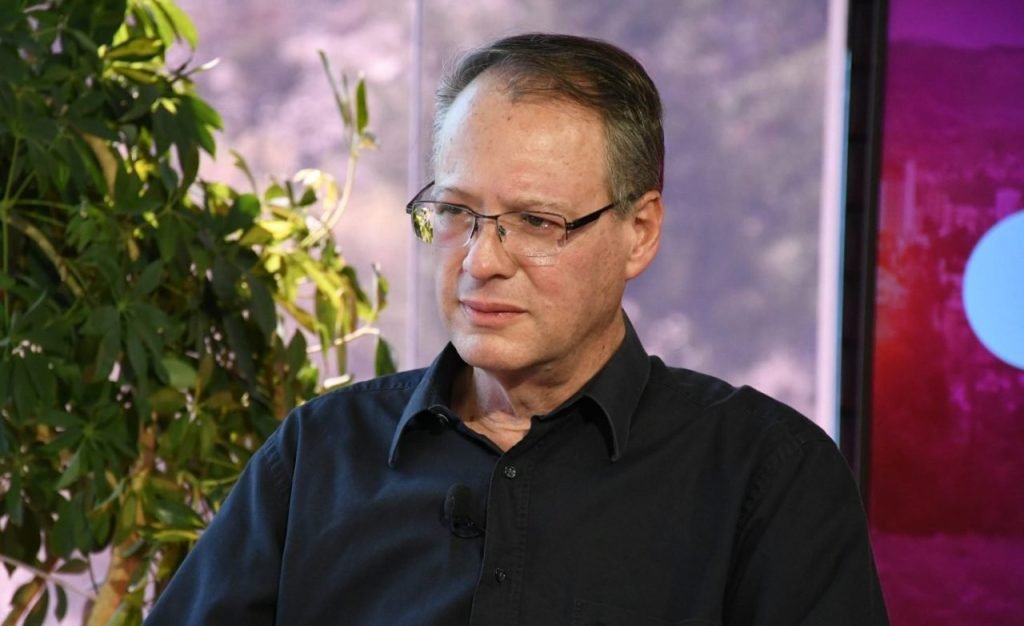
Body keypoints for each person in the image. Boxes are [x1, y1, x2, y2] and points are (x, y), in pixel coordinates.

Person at [146, 33, 889, 625]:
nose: (481, 261)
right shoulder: (318, 455)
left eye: (536, 221)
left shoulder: (767, 476)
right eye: (456, 212)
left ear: (639, 232)